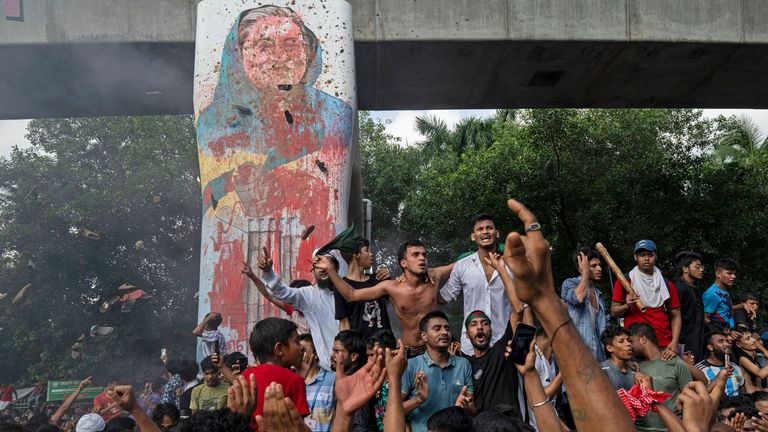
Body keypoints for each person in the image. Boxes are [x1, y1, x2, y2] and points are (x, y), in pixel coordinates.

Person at [320, 240, 454, 357]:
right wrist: (331, 270)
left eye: (424, 255)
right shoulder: (392, 287)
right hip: (409, 353)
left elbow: (463, 263)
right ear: (404, 263)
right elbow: (352, 295)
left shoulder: (434, 276)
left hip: (435, 351)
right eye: (416, 255)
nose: (422, 258)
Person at [243, 247, 340, 371]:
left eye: (325, 264)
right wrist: (268, 272)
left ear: (336, 267)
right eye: (317, 266)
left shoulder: (349, 292)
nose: (321, 269)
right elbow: (280, 293)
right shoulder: (309, 295)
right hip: (324, 369)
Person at [463, 249, 526, 417]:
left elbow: (518, 309)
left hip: (510, 424)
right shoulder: (464, 364)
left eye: (485, 324)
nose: (480, 328)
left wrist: (501, 270)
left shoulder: (502, 350)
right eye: (474, 325)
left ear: (491, 330)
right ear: (466, 334)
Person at [438, 214, 512, 355]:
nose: (484, 232)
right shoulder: (462, 266)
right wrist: (418, 278)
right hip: (471, 347)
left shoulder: (510, 266)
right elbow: (442, 298)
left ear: (496, 233)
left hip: (504, 344)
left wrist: (524, 344)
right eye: (480, 229)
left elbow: (523, 306)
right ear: (473, 236)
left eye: (489, 228)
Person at [401, 311, 476, 432]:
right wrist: (419, 398)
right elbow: (393, 411)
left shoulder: (463, 364)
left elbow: (473, 411)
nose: (444, 332)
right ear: (424, 336)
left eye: (447, 328)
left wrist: (466, 406)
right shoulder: (411, 365)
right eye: (437, 329)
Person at [610, 239, 682, 360]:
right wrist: (627, 305)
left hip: (663, 343)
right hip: (635, 345)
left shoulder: (666, 284)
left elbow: (676, 315)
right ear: (635, 257)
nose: (646, 258)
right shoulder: (625, 281)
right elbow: (614, 312)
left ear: (656, 257)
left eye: (650, 255)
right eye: (642, 255)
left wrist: (674, 343)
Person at [241, 317, 309, 422]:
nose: (301, 347)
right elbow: (298, 426)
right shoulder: (294, 381)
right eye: (296, 342)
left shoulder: (245, 376)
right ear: (279, 349)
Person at [628, 322, 692, 431]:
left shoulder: (675, 363)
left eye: (631, 341)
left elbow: (690, 400)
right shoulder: (633, 366)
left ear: (643, 339)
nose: (629, 346)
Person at [335, 238, 392, 337]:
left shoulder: (379, 279)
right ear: (356, 255)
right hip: (361, 348)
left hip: (384, 346)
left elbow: (400, 299)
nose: (371, 254)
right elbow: (344, 323)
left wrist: (391, 280)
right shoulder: (342, 286)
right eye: (366, 250)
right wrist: (346, 348)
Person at [561, 247, 608, 362]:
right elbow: (578, 298)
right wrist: (585, 273)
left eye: (599, 265)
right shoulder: (569, 284)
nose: (599, 269)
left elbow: (604, 330)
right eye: (593, 266)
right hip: (575, 356)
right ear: (581, 268)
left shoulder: (599, 295)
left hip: (598, 357)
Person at [298, 333, 335, 432]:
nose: (300, 354)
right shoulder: (295, 381)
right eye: (298, 351)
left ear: (316, 354)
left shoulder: (332, 379)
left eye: (304, 350)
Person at [673, 251, 706, 361]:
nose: (701, 270)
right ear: (685, 269)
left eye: (701, 266)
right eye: (697, 267)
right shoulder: (679, 288)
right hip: (685, 344)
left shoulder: (695, 287)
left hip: (698, 340)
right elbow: (674, 317)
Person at [703, 258, 740, 326]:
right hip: (719, 334)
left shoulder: (724, 291)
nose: (733, 276)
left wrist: (742, 305)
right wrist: (723, 331)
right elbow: (704, 319)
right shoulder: (712, 294)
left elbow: (726, 309)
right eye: (729, 273)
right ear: (718, 274)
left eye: (734, 274)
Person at [599, 326, 636, 391]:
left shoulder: (635, 371)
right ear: (610, 348)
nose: (628, 344)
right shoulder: (601, 371)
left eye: (629, 340)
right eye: (621, 341)